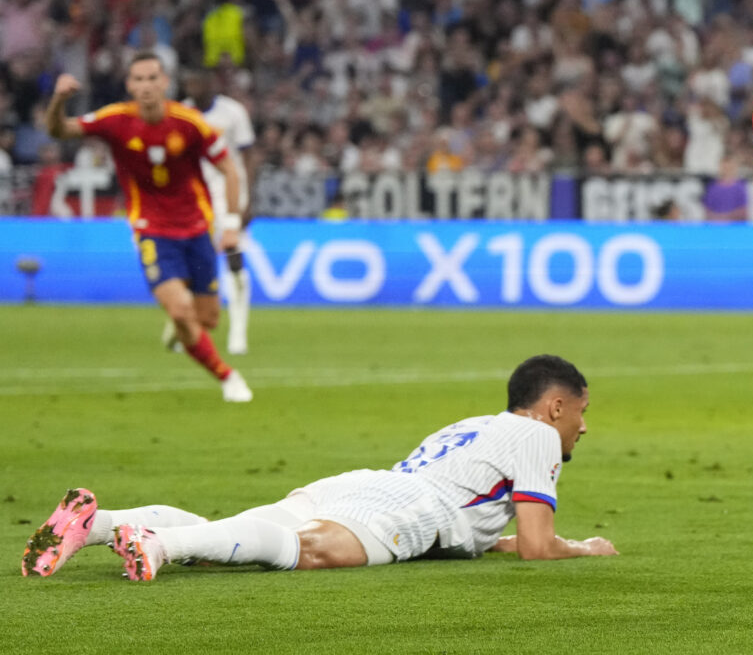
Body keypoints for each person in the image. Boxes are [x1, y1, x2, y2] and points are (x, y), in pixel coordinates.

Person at [21, 355, 618, 581]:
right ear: (556, 405)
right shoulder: (536, 435)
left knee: (243, 533)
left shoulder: (471, 426)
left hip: (365, 485)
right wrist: (586, 548)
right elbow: (540, 547)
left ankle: (97, 524)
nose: (583, 427)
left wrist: (501, 541)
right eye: (581, 412)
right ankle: (156, 546)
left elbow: (486, 529)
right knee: (307, 552)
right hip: (412, 509)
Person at [42, 51, 252, 403]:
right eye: (138, 80)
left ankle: (179, 329)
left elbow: (230, 169)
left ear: (165, 82)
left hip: (197, 228)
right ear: (129, 85)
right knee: (183, 311)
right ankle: (227, 376)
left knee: (207, 319)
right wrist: (59, 99)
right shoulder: (115, 120)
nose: (145, 86)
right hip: (151, 229)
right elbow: (59, 130)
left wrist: (230, 225)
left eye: (152, 78)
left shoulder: (190, 123)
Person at [181, 68, 256, 355]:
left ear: (212, 82)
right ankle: (187, 327)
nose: (193, 86)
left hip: (230, 193)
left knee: (234, 259)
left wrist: (248, 200)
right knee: (196, 264)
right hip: (196, 197)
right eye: (189, 81)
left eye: (198, 80)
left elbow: (249, 156)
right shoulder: (182, 113)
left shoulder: (233, 112)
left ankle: (238, 332)